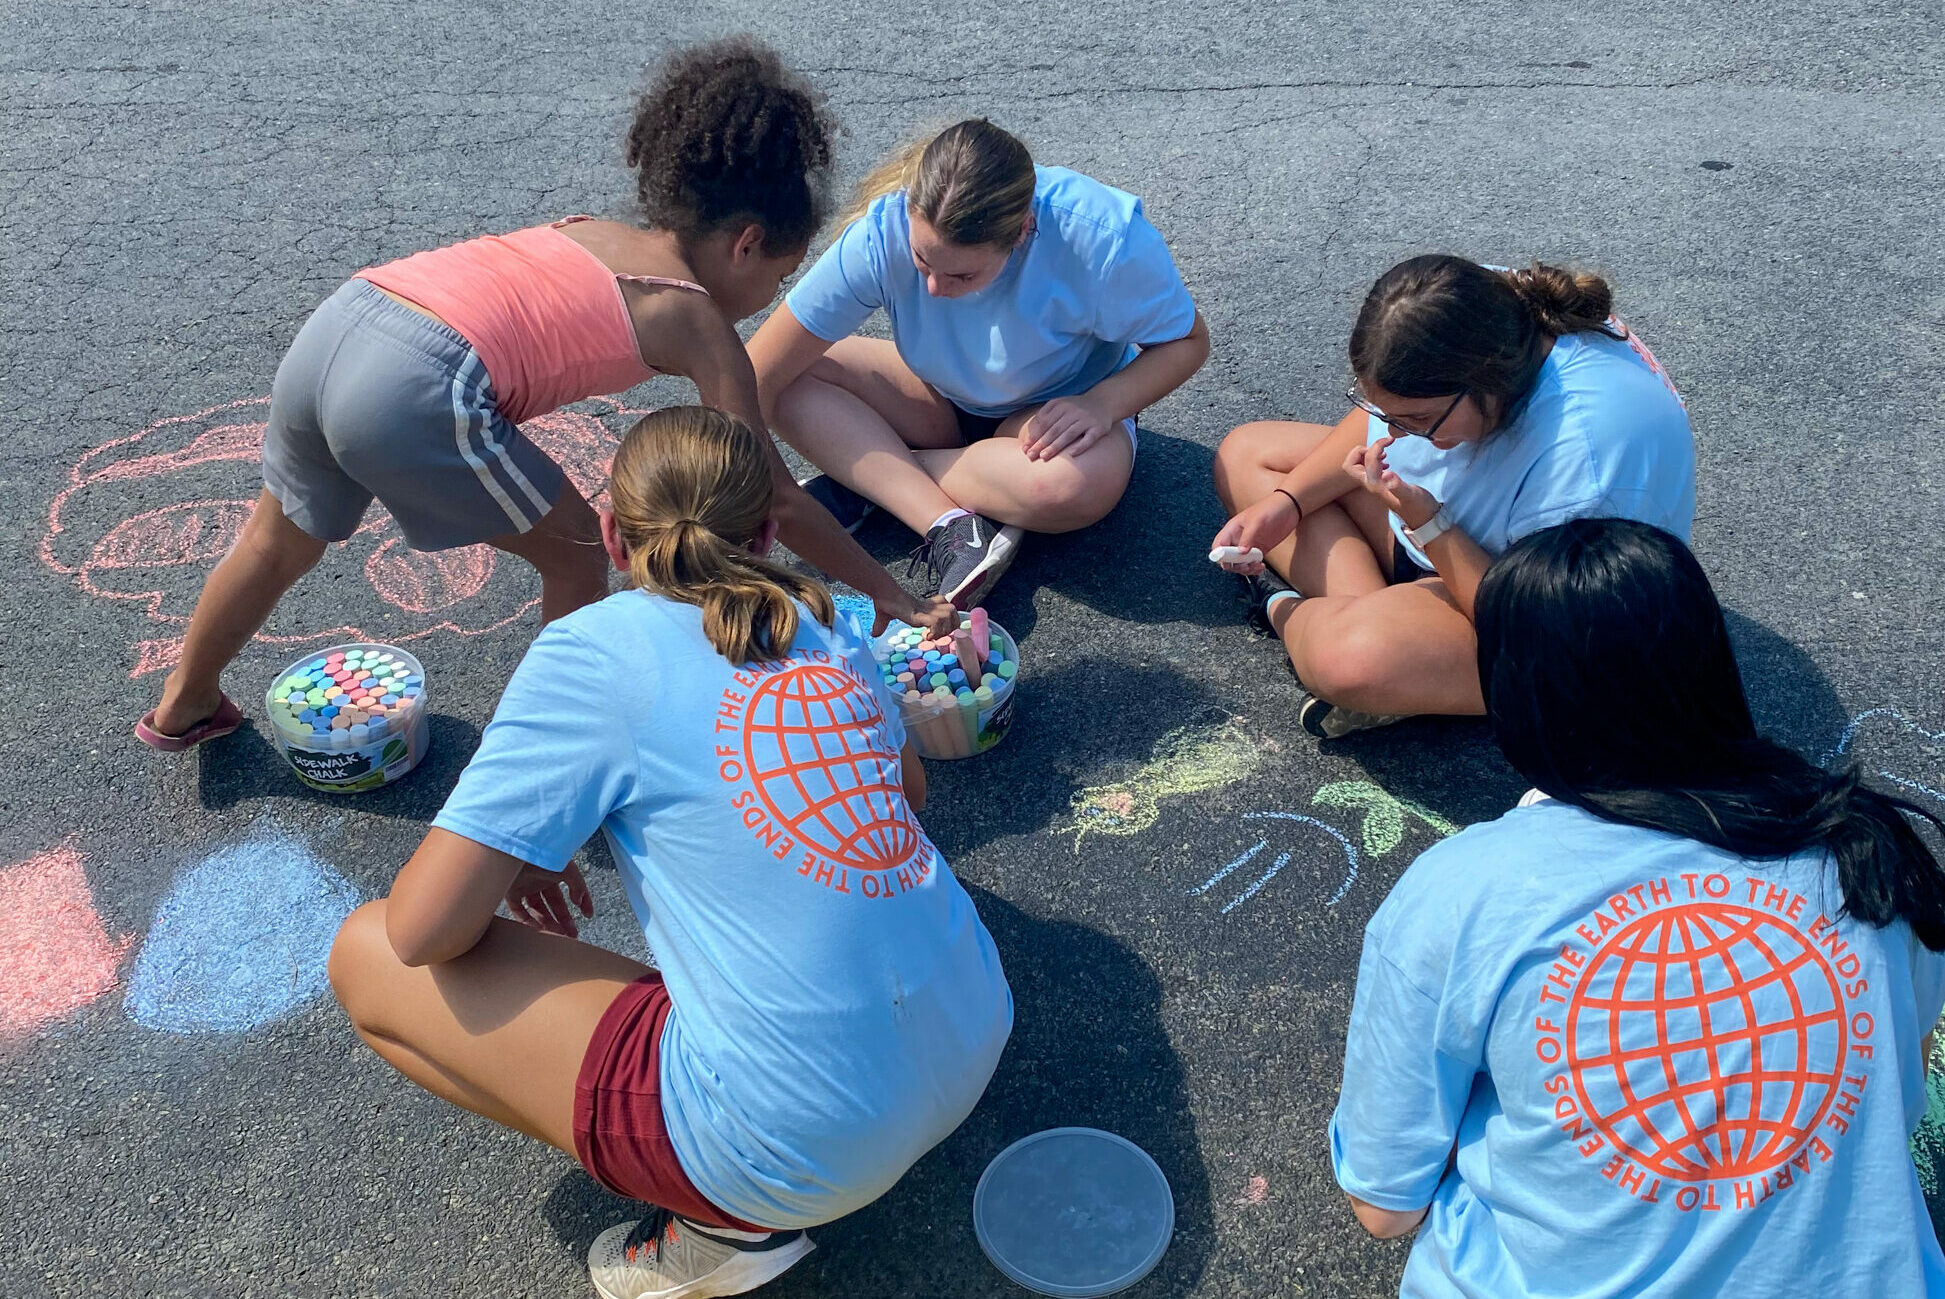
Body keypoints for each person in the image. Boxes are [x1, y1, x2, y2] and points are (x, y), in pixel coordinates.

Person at [328, 406, 1013, 1299]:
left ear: (612, 533)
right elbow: (907, 794)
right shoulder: (826, 622)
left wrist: (520, 833)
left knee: (367, 953)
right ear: (765, 534)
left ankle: (722, 1222)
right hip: (975, 1027)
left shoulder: (590, 651)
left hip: (799, 1143)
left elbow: (424, 932)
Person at [136, 37, 952, 753]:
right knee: (576, 554)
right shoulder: (694, 317)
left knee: (275, 542)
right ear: (746, 243)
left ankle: (185, 701)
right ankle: (557, 754)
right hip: (417, 385)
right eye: (779, 275)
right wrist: (889, 593)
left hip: (341, 325)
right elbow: (773, 491)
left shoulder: (590, 230)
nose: (773, 295)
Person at [1331, 518, 1945, 1298]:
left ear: (1513, 690)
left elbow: (1385, 1206)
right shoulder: (1864, 848)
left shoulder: (1460, 890)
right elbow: (1898, 1091)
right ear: (1710, 662)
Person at [1210, 255, 1693, 738]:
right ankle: (1400, 658)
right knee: (1246, 456)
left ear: (1488, 381)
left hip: (1542, 618)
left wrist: (1429, 523)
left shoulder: (1587, 461)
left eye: (1419, 421)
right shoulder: (1483, 308)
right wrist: (1289, 503)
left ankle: (1283, 607)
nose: (1396, 434)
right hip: (1443, 529)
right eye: (1388, 415)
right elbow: (1392, 409)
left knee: (1344, 658)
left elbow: (1530, 628)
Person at [748, 118, 1208, 609]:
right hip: (935, 398)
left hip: (1052, 416)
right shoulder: (882, 231)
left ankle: (872, 479)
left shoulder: (1102, 240)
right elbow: (752, 371)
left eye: (962, 275)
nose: (934, 288)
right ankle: (949, 522)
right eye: (922, 260)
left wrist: (1104, 403)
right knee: (786, 377)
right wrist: (732, 499)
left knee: (1072, 487)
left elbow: (1187, 341)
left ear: (1022, 232)